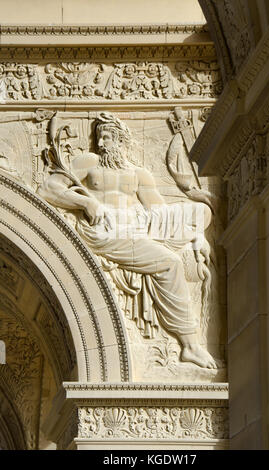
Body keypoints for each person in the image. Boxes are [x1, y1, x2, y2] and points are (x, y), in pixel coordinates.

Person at [38, 112, 221, 369]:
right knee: (170, 263)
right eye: (99, 137)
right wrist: (86, 201)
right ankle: (190, 345)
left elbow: (159, 211)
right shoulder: (87, 163)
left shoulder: (139, 174)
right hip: (104, 231)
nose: (101, 144)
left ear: (122, 142)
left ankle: (189, 344)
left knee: (201, 212)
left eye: (107, 138)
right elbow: (47, 190)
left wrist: (196, 235)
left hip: (135, 226)